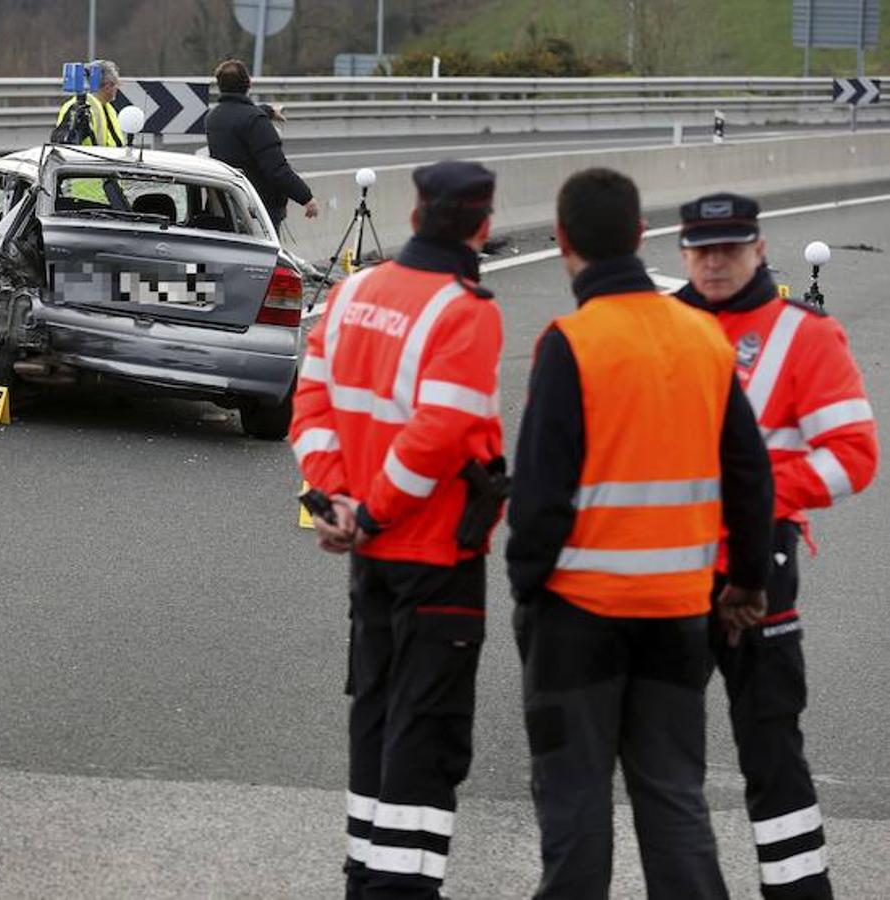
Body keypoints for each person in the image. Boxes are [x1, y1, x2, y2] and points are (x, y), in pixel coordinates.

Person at [507, 168, 775, 899]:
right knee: (673, 802)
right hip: (678, 617)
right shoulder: (702, 339)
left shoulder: (571, 342)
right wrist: (747, 583)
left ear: (562, 242)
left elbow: (538, 497)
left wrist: (526, 590)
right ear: (640, 236)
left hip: (576, 618)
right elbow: (751, 481)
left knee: (575, 811)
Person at [291, 159, 505, 899]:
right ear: (480, 226)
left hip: (368, 556)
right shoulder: (464, 310)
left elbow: (311, 407)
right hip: (435, 553)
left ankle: (364, 878)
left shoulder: (351, 293)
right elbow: (439, 433)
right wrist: (376, 510)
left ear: (413, 217)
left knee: (376, 720)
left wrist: (338, 503)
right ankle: (399, 891)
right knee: (428, 736)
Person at [673, 193, 878, 900]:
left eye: (729, 247)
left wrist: (758, 495)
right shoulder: (665, 329)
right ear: (683, 254)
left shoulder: (804, 336)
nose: (715, 262)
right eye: (701, 249)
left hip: (762, 569)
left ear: (759, 249)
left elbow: (852, 456)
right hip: (668, 572)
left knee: (769, 748)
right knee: (664, 755)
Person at [205, 58, 318, 229]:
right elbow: (276, 169)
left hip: (227, 204)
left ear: (219, 85)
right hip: (259, 208)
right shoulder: (255, 121)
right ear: (248, 83)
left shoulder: (213, 118)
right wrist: (306, 197)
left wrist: (268, 111)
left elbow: (238, 117)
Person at [54, 58, 123, 148]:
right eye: (116, 84)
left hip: (107, 159)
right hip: (88, 160)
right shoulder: (79, 108)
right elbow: (64, 145)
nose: (118, 88)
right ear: (107, 86)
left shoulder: (107, 108)